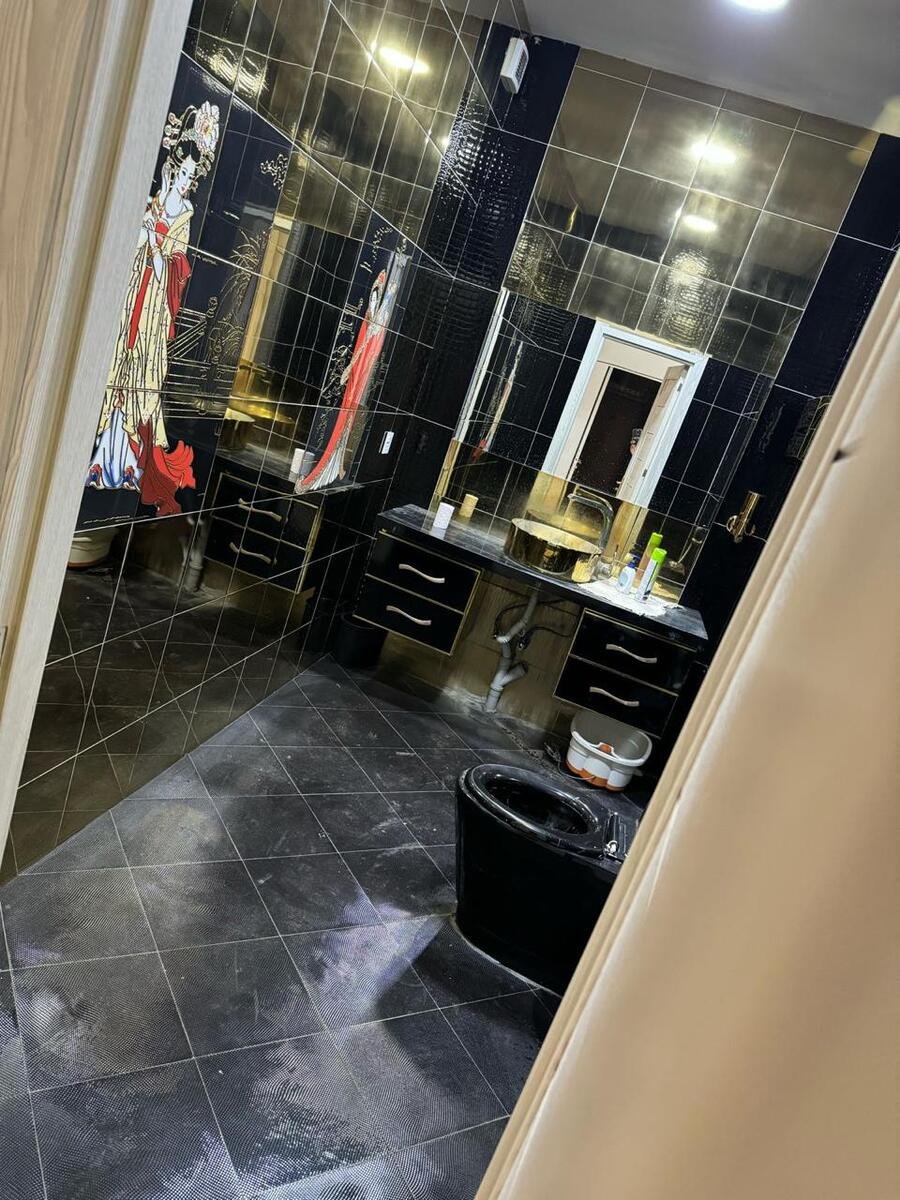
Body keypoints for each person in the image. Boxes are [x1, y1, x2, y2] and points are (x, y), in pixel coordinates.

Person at [86, 101, 220, 515]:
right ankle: (100, 456)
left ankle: (124, 462)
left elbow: (179, 267)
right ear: (172, 167)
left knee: (140, 374)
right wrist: (145, 238)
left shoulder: (185, 213)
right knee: (115, 362)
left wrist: (156, 250)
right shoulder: (155, 200)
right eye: (181, 172)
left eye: (190, 177)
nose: (183, 181)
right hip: (132, 294)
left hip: (153, 305)